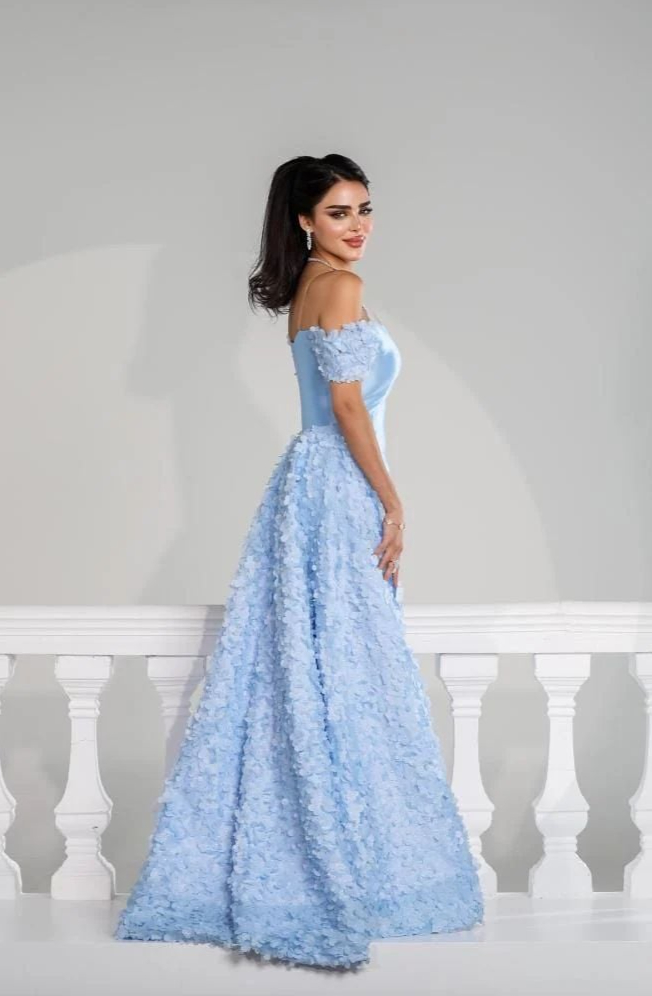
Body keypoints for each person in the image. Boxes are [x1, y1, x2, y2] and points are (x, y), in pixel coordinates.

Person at [114, 153, 484, 969]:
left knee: (317, 660)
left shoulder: (309, 288)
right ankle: (348, 860)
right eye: (339, 212)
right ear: (304, 221)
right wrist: (391, 500)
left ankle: (322, 842)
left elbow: (337, 403)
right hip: (340, 481)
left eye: (364, 209)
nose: (358, 226)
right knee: (346, 660)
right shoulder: (340, 287)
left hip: (306, 481)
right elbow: (348, 406)